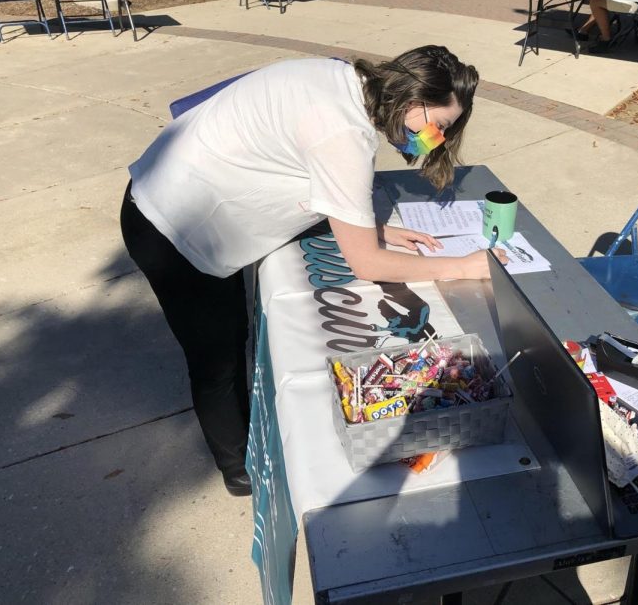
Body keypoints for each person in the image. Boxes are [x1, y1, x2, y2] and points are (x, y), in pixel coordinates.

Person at [120, 46, 507, 496]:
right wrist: (462, 265)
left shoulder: (344, 79)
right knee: (217, 357)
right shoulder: (344, 133)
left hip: (180, 195)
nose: (435, 139)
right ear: (411, 98)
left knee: (233, 335)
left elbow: (300, 157)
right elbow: (366, 263)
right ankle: (239, 469)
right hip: (171, 227)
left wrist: (369, 225)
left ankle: (243, 443)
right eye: (438, 125)